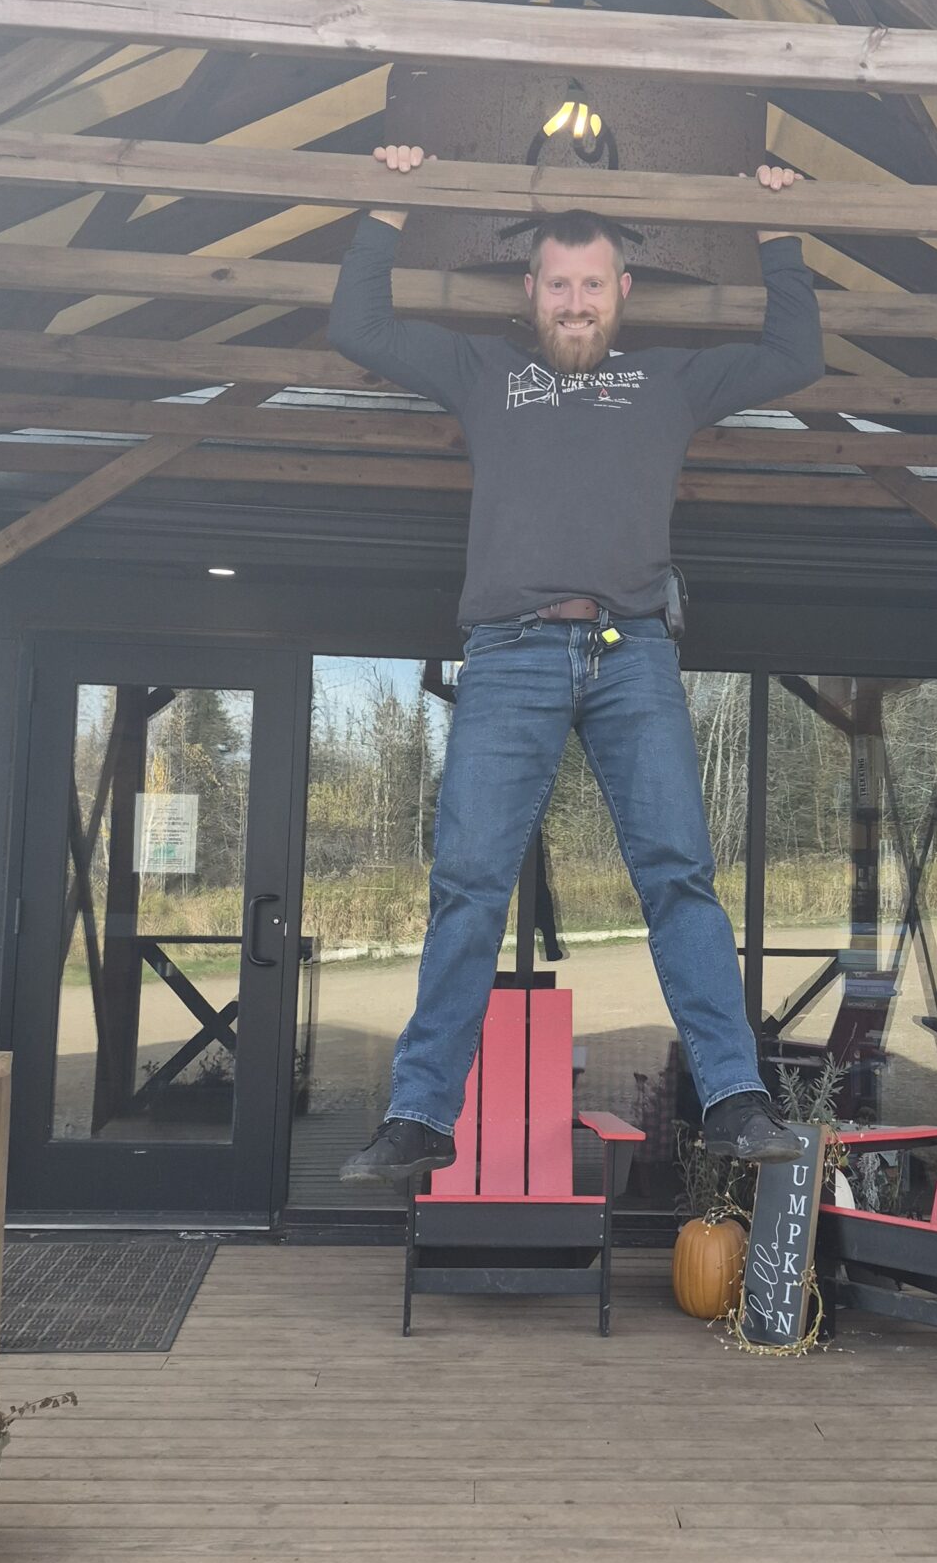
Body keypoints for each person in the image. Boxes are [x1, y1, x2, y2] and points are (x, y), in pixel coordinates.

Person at [333, 144, 826, 1187]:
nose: (573, 302)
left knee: (678, 877)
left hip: (630, 650)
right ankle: (421, 1112)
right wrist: (386, 201)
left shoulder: (670, 379)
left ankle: (735, 1096)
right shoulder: (482, 372)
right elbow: (359, 326)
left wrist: (778, 229)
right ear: (531, 290)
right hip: (509, 654)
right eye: (557, 286)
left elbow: (793, 351)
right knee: (467, 883)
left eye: (590, 286)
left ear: (621, 292)